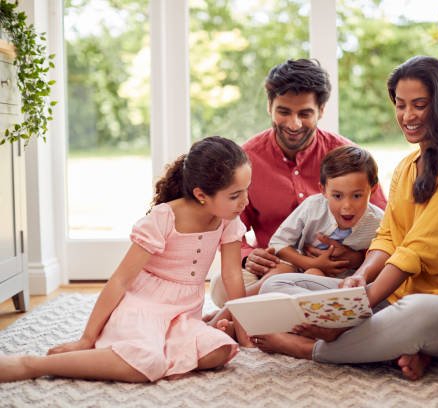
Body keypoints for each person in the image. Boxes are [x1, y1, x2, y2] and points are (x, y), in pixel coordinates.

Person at [249, 56, 438, 381]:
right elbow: (388, 236)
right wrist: (359, 278)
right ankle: (406, 350)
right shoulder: (406, 167)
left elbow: (417, 249)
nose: (407, 116)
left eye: (419, 104)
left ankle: (310, 348)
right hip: (397, 295)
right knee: (278, 284)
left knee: (415, 318)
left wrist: (358, 304)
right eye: (400, 105)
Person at [0, 136, 253, 383]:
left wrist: (244, 330)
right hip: (144, 305)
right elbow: (120, 280)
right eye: (234, 195)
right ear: (201, 194)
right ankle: (33, 365)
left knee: (220, 350)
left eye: (246, 191)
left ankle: (158, 347)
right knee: (147, 361)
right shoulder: (164, 218)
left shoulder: (228, 220)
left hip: (184, 312)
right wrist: (87, 338)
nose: (245, 202)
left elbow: (231, 275)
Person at [208, 58, 387, 309]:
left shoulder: (349, 159)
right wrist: (248, 257)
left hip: (341, 272)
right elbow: (225, 225)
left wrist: (357, 257)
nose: (294, 124)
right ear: (269, 106)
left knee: (382, 285)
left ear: (321, 111)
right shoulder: (245, 161)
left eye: (305, 113)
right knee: (219, 286)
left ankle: (264, 315)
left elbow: (387, 231)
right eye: (284, 112)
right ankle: (282, 313)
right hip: (276, 267)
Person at [266, 145, 384, 282]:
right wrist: (310, 264)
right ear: (323, 190)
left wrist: (358, 259)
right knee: (294, 273)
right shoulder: (312, 207)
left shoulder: (379, 222)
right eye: (338, 196)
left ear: (373, 189)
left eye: (357, 196)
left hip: (348, 280)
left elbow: (385, 255)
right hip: (301, 266)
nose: (347, 206)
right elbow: (278, 243)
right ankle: (242, 301)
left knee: (313, 274)